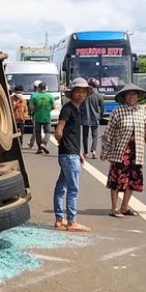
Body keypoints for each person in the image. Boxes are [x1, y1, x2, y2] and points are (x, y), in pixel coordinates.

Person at [100, 83, 146, 218]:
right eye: (129, 94)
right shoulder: (118, 111)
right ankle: (114, 208)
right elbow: (109, 132)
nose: (132, 97)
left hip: (136, 152)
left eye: (134, 94)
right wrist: (105, 150)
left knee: (132, 180)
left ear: (138, 97)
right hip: (120, 152)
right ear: (124, 97)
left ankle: (124, 207)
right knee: (116, 180)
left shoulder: (142, 111)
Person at [53, 77, 92, 233]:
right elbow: (59, 130)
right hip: (69, 154)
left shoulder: (78, 109)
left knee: (61, 186)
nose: (81, 94)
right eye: (78, 91)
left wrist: (79, 152)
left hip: (71, 153)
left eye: (83, 92)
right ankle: (71, 221)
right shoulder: (68, 108)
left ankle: (59, 218)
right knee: (73, 188)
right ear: (72, 93)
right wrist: (66, 146)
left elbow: (74, 134)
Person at [28, 81, 54, 154]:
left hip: (37, 117)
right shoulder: (50, 96)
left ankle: (39, 148)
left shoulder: (35, 96)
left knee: (38, 133)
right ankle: (44, 143)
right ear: (45, 88)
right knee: (48, 132)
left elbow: (31, 107)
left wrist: (35, 111)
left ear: (38, 88)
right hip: (47, 116)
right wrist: (48, 110)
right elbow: (54, 106)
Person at [80, 78, 103, 159]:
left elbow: (80, 107)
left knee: (85, 136)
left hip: (85, 118)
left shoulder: (84, 96)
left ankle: (85, 152)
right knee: (95, 135)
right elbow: (102, 108)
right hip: (95, 118)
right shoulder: (99, 96)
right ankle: (93, 151)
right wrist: (100, 116)